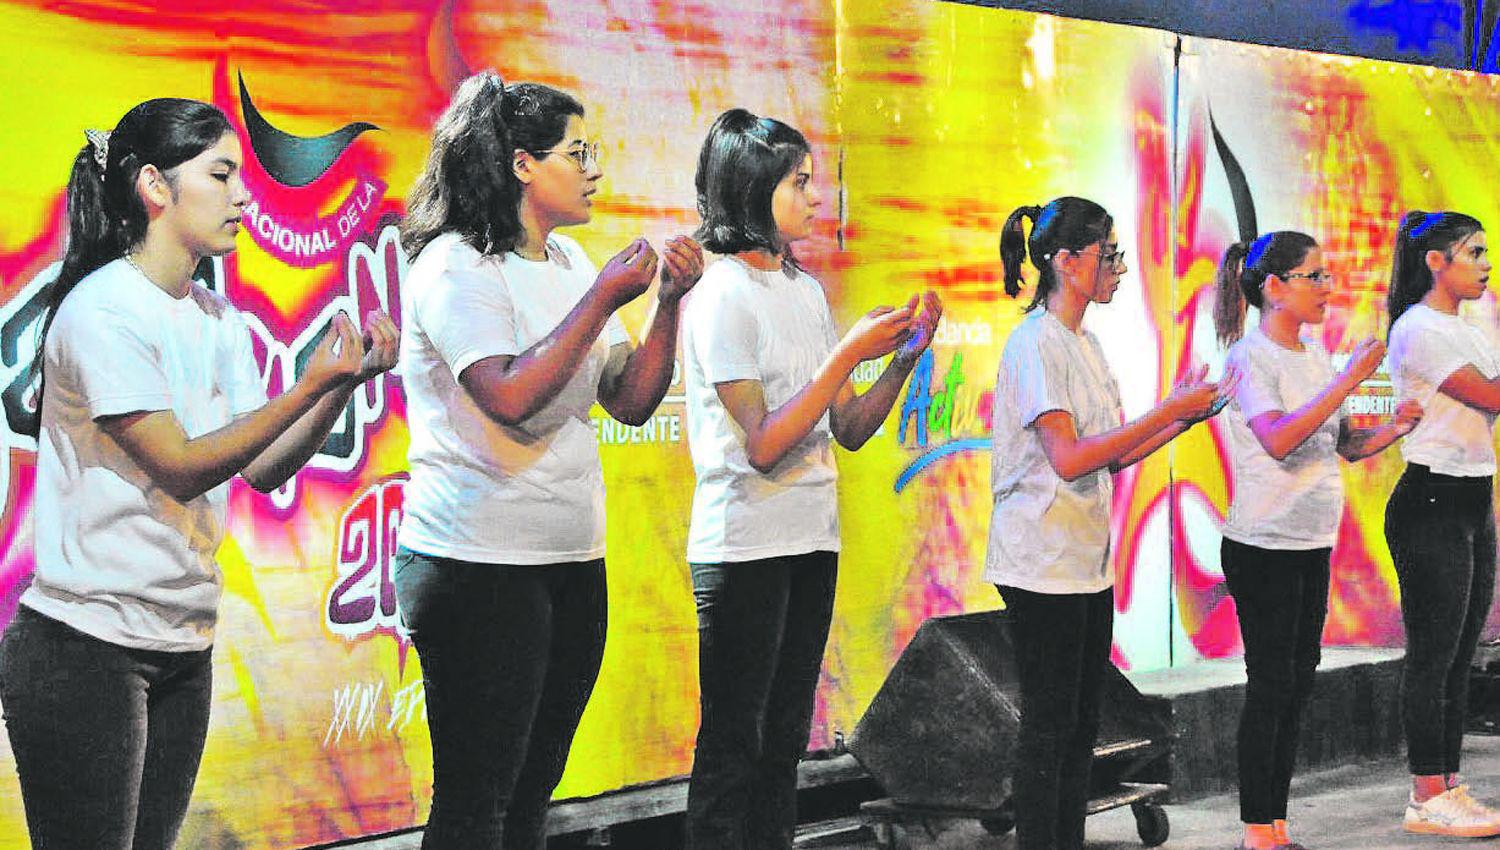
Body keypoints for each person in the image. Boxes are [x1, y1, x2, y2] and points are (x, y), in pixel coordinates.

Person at [0, 97, 397, 850]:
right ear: (155, 185)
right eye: (221, 175)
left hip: (181, 644)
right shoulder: (103, 311)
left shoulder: (220, 318)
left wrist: (342, 381)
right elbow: (181, 467)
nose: (245, 197)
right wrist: (308, 385)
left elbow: (265, 467)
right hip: (86, 647)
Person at [394, 70, 703, 849]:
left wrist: (666, 303)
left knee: (535, 785)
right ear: (523, 165)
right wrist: (602, 298)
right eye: (579, 151)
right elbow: (506, 393)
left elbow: (629, 398)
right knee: (478, 796)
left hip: (568, 560)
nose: (595, 168)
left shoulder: (566, 262)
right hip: (475, 565)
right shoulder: (455, 265)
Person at [680, 107, 941, 850]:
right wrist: (846, 353)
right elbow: (762, 443)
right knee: (735, 744)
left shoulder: (802, 291)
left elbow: (849, 427)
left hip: (809, 540)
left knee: (783, 743)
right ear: (754, 187)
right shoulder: (722, 294)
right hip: (743, 549)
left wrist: (901, 357)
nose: (814, 196)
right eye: (799, 182)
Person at [986, 196, 1228, 850]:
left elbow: (1115, 454)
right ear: (1066, 262)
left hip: (1084, 562)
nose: (1118, 266)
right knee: (1048, 728)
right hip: (1040, 563)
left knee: (1077, 725)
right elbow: (1067, 458)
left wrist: (1184, 418)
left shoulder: (1085, 342)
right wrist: (1169, 409)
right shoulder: (1035, 343)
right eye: (1109, 254)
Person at [1212, 230, 1421, 850]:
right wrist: (1350, 379)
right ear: (1273, 288)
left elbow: (1344, 444)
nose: (1327, 288)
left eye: (1326, 275)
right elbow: (1278, 438)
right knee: (1271, 683)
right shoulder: (1249, 358)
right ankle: (1256, 826)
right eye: (1314, 276)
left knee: (1298, 682)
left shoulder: (1313, 355)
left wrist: (1399, 425)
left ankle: (1276, 822)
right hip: (1263, 546)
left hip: (1310, 542)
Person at [1383, 209, 1500, 837]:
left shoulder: (1471, 327)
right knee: (1432, 653)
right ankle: (1426, 790)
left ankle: (1448, 782)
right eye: (1474, 253)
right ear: (1436, 260)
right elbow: (1491, 397)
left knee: (1460, 654)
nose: (1485, 265)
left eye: (1486, 253)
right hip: (1430, 501)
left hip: (1471, 499)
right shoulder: (1419, 329)